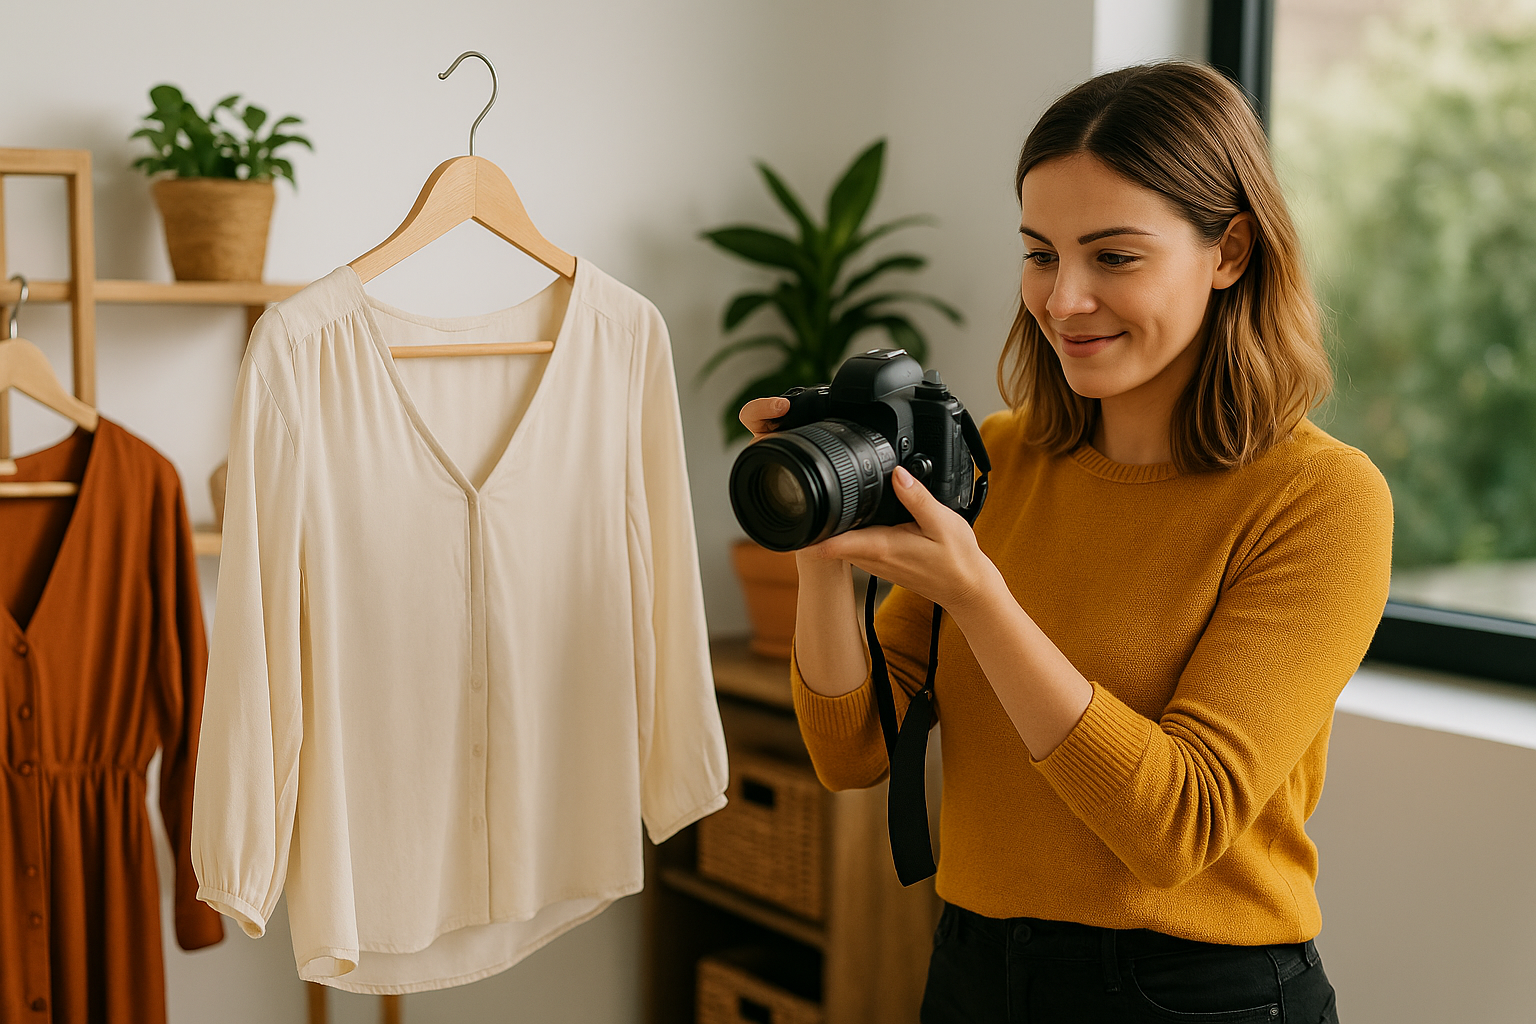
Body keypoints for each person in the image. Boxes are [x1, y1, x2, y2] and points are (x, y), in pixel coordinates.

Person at [739, 62, 1390, 1024]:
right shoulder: (994, 460)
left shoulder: (1320, 500)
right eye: (1041, 254)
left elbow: (1177, 824)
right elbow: (852, 752)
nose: (1065, 300)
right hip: (973, 969)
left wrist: (980, 598)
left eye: (1114, 257)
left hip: (1196, 996)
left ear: (1232, 251)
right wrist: (819, 540)